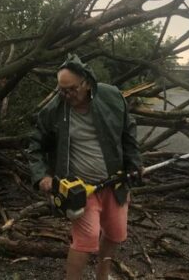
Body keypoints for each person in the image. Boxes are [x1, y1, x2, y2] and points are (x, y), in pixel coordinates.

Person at [27, 54, 142, 280]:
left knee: (115, 234)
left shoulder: (111, 97)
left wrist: (135, 162)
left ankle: (102, 275)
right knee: (85, 240)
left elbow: (128, 132)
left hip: (114, 182)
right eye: (62, 90)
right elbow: (35, 145)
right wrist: (43, 176)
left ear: (87, 82)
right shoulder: (54, 110)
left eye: (71, 89)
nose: (67, 95)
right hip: (78, 189)